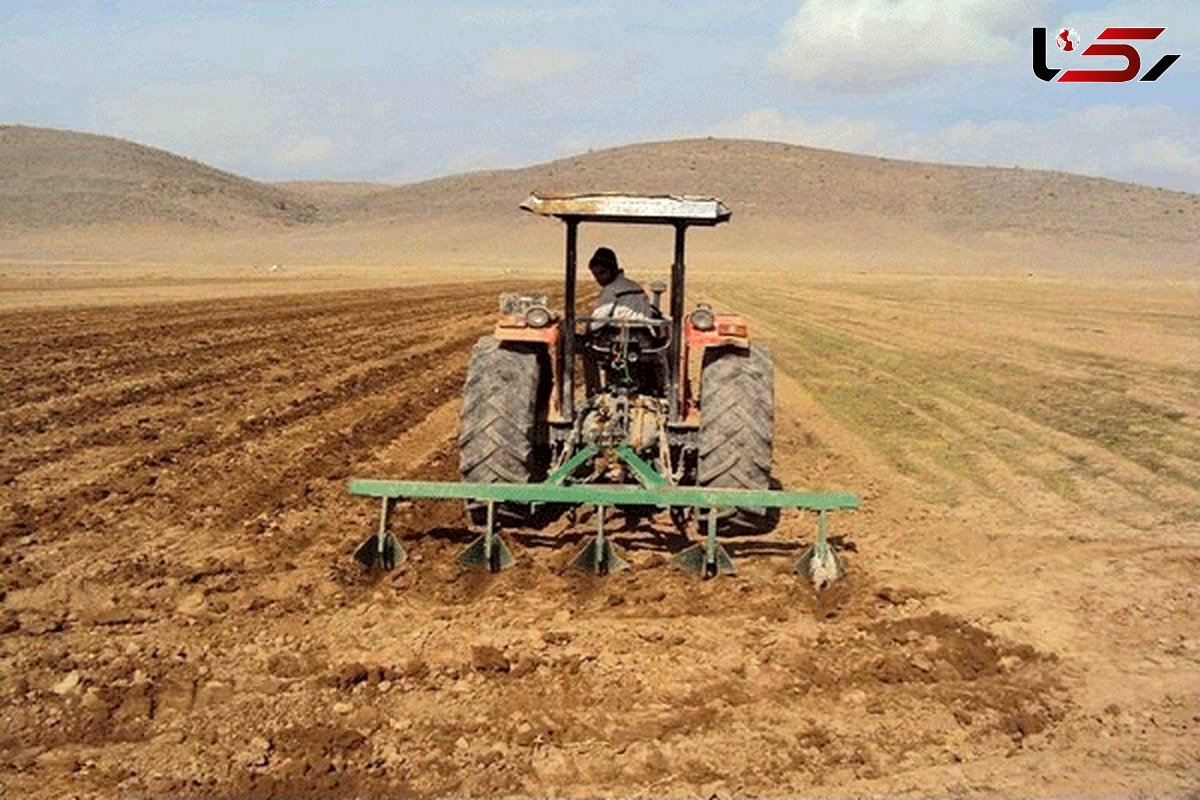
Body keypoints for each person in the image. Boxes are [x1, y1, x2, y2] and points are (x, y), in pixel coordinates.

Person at [587, 247, 653, 322]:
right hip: (645, 331)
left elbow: (597, 322)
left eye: (602, 273)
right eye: (595, 274)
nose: (598, 278)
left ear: (613, 270)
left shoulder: (611, 290)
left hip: (623, 331)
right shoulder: (636, 287)